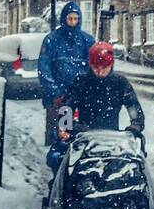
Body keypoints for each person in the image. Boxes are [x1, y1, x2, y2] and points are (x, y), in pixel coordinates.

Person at [47, 42, 144, 172]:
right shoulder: (80, 83)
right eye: (95, 67)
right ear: (90, 65)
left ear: (111, 65)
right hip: (83, 138)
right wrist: (74, 127)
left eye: (104, 67)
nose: (100, 71)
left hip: (112, 139)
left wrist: (135, 126)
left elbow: (133, 108)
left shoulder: (120, 83)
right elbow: (66, 110)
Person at [38, 1, 94, 148]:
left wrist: (90, 90)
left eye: (75, 19)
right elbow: (44, 68)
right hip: (59, 96)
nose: (73, 22)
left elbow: (94, 66)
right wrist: (55, 92)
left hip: (81, 94)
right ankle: (56, 154)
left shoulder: (87, 40)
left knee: (82, 129)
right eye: (70, 18)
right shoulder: (52, 39)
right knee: (61, 130)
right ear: (64, 19)